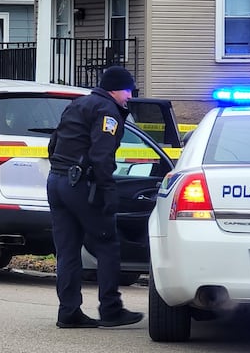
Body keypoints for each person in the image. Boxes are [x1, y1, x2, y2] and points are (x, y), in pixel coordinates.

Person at [46, 65, 144, 329]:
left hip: (57, 180)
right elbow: (102, 155)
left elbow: (53, 143)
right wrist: (108, 192)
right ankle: (111, 309)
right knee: (108, 243)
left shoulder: (78, 104)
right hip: (81, 185)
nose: (129, 97)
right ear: (117, 89)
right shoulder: (107, 111)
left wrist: (63, 171)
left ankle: (68, 311)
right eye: (128, 91)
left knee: (67, 251)